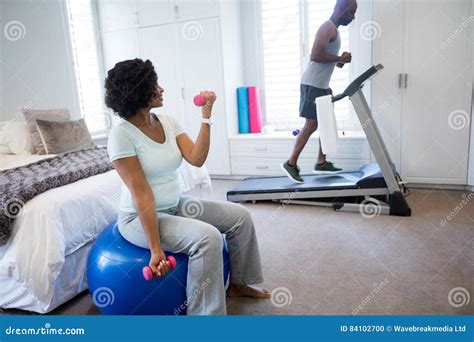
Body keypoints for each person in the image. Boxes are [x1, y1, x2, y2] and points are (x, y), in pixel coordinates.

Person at [105, 58, 271, 315]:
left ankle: (238, 284)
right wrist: (155, 248)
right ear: (137, 94)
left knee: (240, 217)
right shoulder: (121, 135)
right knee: (208, 238)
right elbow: (141, 192)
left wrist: (206, 117)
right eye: (153, 85)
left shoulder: (167, 121)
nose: (161, 89)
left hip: (176, 205)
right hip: (139, 218)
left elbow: (196, 157)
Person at [282, 0, 358, 183]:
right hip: (312, 84)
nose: (353, 17)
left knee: (325, 124)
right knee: (312, 125)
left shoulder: (334, 30)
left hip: (322, 85)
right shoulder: (328, 28)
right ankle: (291, 163)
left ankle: (321, 162)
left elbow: (327, 58)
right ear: (342, 9)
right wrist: (339, 58)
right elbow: (315, 55)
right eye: (351, 12)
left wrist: (340, 61)